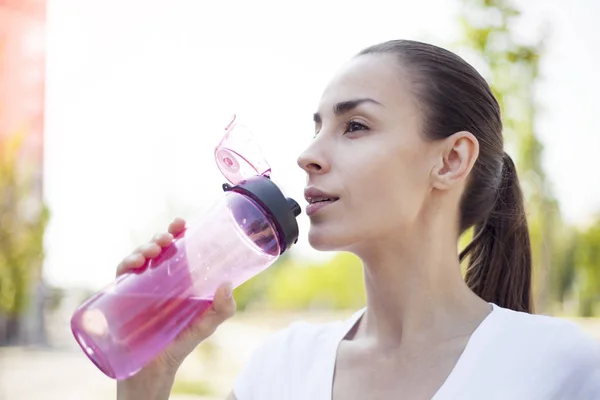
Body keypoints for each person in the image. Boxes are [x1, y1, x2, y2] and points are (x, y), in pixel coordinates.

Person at [116, 40, 600, 400]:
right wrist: (148, 377)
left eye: (355, 126)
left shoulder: (560, 371)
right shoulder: (277, 370)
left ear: (451, 160)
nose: (307, 155)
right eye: (318, 128)